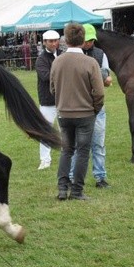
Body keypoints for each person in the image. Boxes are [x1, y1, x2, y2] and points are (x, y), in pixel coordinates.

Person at [49, 23, 105, 201]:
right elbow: (99, 92)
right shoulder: (90, 62)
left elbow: (52, 88)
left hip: (64, 113)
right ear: (82, 40)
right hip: (85, 113)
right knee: (82, 151)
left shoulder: (57, 61)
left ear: (66, 39)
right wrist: (94, 109)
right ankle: (77, 190)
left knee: (66, 151)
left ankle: (62, 189)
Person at [79, 24, 112, 189]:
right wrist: (98, 76)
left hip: (97, 106)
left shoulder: (100, 54)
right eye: (87, 40)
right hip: (80, 106)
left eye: (91, 40)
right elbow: (104, 78)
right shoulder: (73, 56)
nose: (89, 43)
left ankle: (100, 177)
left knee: (98, 144)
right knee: (79, 146)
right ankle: (75, 178)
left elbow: (107, 75)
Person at [34, 29, 62, 170]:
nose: (54, 43)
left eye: (56, 40)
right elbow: (46, 77)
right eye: (50, 41)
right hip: (48, 101)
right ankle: (45, 159)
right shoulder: (41, 60)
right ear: (44, 42)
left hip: (63, 99)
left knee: (66, 129)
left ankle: (67, 154)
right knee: (45, 131)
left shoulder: (62, 55)